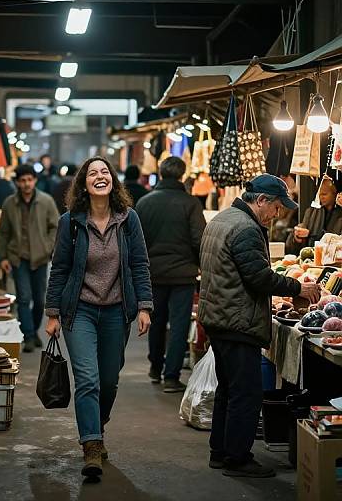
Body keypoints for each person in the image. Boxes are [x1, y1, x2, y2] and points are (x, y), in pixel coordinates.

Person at [198, 174, 320, 478]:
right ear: (261, 201)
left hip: (219, 317)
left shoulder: (223, 218)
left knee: (229, 389)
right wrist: (297, 288)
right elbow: (259, 277)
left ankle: (220, 451)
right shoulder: (246, 229)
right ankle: (237, 458)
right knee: (246, 393)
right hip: (237, 320)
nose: (277, 215)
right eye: (276, 207)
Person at [45, 156, 153, 478]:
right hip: (79, 311)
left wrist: (145, 306)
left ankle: (97, 424)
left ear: (113, 181)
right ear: (84, 184)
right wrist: (52, 313)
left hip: (117, 311)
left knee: (108, 380)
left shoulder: (128, 219)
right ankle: (91, 445)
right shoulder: (71, 222)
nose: (99, 176)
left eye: (104, 171)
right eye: (92, 173)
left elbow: (140, 264)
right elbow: (60, 268)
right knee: (88, 379)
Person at [136, 156, 206, 392]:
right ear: (182, 175)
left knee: (155, 322)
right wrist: (201, 266)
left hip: (152, 275)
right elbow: (199, 240)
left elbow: (137, 241)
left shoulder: (145, 203)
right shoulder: (191, 203)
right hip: (182, 276)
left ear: (161, 173)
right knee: (178, 326)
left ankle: (155, 367)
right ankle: (171, 376)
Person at [0, 164, 60, 352]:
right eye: (22, 180)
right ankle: (29, 335)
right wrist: (3, 257)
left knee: (40, 300)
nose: (26, 184)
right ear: (17, 182)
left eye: (29, 180)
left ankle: (32, 330)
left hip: (40, 258)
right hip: (18, 257)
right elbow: (3, 232)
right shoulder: (9, 203)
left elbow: (55, 227)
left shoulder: (46, 201)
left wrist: (48, 247)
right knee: (23, 298)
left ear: (35, 181)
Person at [285, 176, 342, 254]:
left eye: (324, 194)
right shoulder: (311, 213)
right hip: (312, 256)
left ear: (334, 194)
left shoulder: (340, 214)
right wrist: (297, 236)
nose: (322, 197)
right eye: (320, 194)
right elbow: (297, 244)